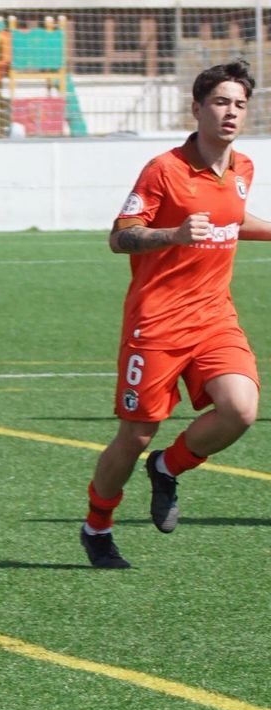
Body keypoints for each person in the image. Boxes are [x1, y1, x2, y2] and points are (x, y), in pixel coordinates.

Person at [80, 60, 266, 570]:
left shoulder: (243, 169)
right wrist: (174, 235)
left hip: (213, 318)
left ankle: (168, 467)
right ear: (197, 108)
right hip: (156, 322)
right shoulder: (164, 169)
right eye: (221, 102)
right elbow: (120, 236)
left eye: (240, 104)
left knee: (241, 409)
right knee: (135, 434)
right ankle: (97, 525)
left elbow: (232, 218)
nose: (231, 113)